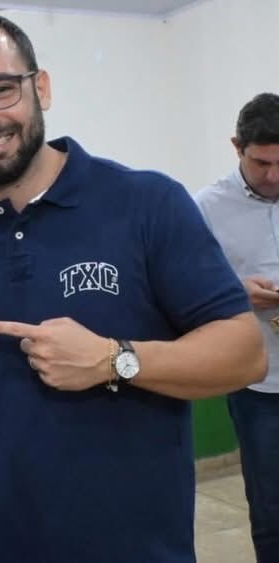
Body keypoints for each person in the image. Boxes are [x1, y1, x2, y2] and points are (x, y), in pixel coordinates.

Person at [0, 13, 267, 563]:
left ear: (41, 88)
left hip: (137, 548)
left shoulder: (148, 204)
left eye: (0, 89)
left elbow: (245, 354)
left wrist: (113, 360)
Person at [194, 93, 279, 563]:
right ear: (237, 147)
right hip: (257, 383)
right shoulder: (205, 208)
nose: (274, 176)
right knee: (270, 509)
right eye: (261, 162)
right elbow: (187, 288)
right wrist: (235, 292)